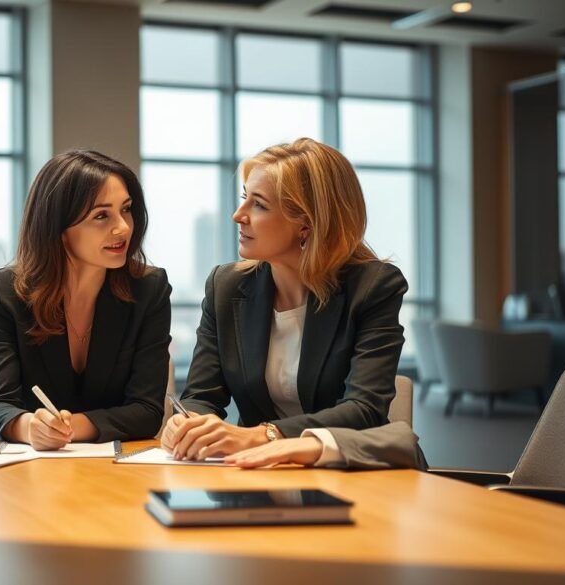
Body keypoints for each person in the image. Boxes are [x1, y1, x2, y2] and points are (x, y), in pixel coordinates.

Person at [162, 138, 408, 461]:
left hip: (346, 472)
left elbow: (364, 410)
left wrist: (263, 435)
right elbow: (201, 396)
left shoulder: (373, 287)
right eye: (243, 199)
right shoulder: (226, 286)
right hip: (254, 477)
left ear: (306, 224)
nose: (238, 215)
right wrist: (187, 424)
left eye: (259, 205)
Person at [0, 150, 171, 449]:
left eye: (127, 209)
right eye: (101, 215)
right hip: (30, 476)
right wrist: (30, 427)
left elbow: (146, 412)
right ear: (57, 227)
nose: (123, 227)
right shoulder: (6, 292)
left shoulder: (149, 289)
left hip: (118, 471)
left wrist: (68, 428)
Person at [224, 422, 427, 470]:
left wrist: (269, 434)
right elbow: (202, 395)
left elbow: (365, 407)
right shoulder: (225, 311)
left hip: (355, 468)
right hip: (260, 469)